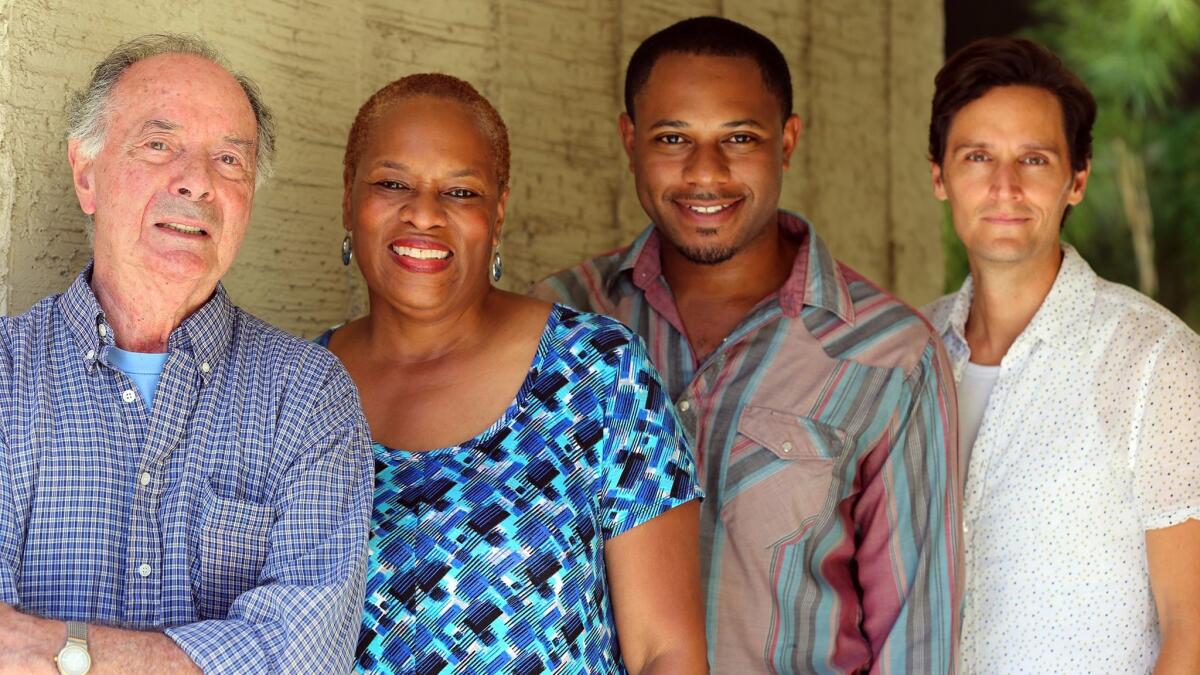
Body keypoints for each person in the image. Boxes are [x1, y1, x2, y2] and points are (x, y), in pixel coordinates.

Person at [534, 16, 960, 674]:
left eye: (739, 137)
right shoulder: (556, 322)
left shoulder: (889, 355)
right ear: (630, 140)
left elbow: (916, 637)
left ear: (787, 141)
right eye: (674, 137)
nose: (706, 172)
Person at [0, 35, 373, 674]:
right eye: (158, 145)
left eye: (230, 159)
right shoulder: (7, 373)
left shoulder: (308, 396)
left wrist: (60, 652)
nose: (197, 182)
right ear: (85, 173)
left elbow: (304, 659)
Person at [319, 73, 707, 674]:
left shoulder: (597, 373)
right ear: (348, 199)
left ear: (498, 214)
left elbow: (668, 652)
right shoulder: (298, 392)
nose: (423, 213)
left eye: (461, 192)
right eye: (392, 183)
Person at [924, 36, 1200, 673]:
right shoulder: (912, 353)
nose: (1004, 186)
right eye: (976, 157)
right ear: (940, 176)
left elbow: (1192, 629)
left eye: (1035, 159)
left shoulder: (1157, 361)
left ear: (1077, 179)